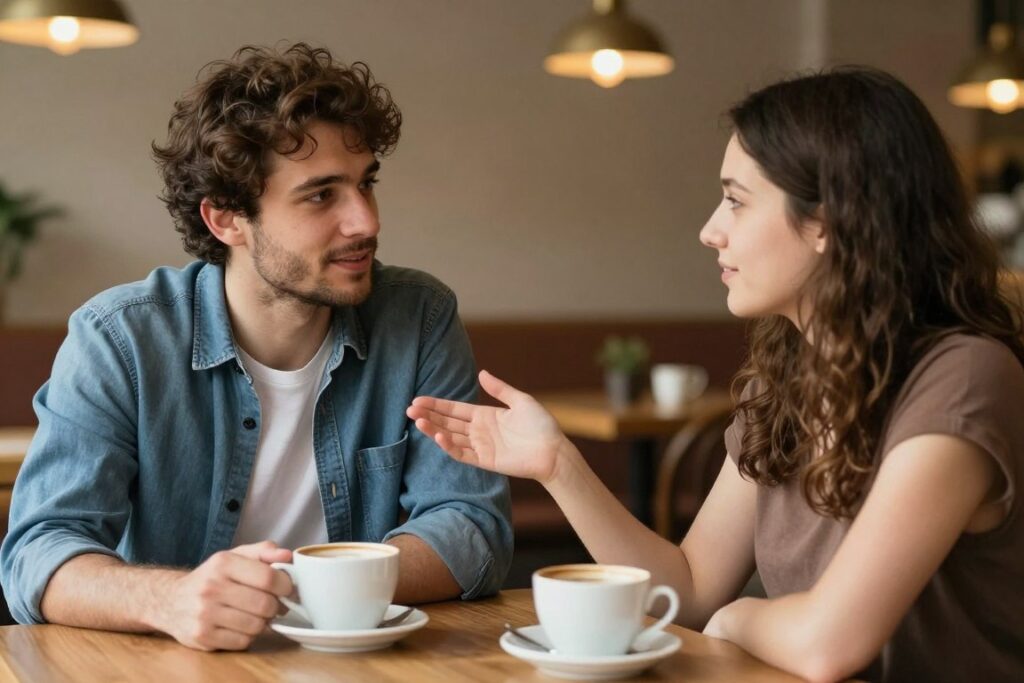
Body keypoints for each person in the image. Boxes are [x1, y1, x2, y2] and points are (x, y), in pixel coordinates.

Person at [408, 67, 1024, 683]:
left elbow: (826, 646)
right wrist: (558, 465)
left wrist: (740, 619)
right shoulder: (785, 379)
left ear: (827, 221)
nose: (710, 230)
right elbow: (690, 590)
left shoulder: (962, 379)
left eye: (735, 200)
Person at [0, 43, 512, 651]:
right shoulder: (121, 338)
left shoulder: (419, 317)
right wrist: (172, 599)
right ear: (225, 219)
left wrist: (306, 585)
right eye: (322, 195)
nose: (365, 221)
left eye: (365, 183)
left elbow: (472, 528)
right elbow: (39, 552)